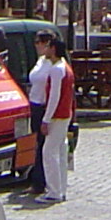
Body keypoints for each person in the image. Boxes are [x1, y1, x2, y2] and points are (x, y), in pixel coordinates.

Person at [28, 31, 75, 202]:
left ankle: (54, 191)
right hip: (64, 114)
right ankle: (60, 188)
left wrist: (46, 119)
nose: (45, 49)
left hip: (57, 115)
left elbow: (54, 96)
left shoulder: (56, 69)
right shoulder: (64, 66)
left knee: (48, 152)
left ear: (53, 49)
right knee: (60, 152)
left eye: (47, 46)